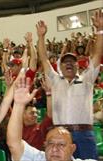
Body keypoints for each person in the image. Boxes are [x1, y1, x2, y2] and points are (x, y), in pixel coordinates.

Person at [35, 10, 103, 159]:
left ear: (78, 65)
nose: (69, 64)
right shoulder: (55, 80)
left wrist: (100, 30)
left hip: (84, 135)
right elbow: (44, 59)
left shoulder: (87, 79)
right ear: (60, 67)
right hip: (61, 136)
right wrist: (41, 37)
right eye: (65, 62)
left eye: (72, 61)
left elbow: (97, 55)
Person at [6, 74, 96, 161]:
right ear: (45, 145)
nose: (54, 149)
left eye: (61, 144)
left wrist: (49, 94)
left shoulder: (40, 128)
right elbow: (14, 144)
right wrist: (19, 105)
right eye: (50, 143)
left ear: (72, 148)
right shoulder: (37, 158)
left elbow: (49, 115)